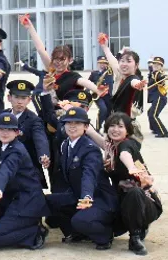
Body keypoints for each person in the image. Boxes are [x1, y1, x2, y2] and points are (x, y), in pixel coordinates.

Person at [87, 113, 163, 256]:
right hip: (122, 201)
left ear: (127, 130)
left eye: (120, 126)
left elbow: (124, 154)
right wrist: (87, 128)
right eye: (112, 126)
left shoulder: (127, 144)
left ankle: (135, 237)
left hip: (145, 203)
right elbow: (101, 141)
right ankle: (136, 225)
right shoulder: (111, 147)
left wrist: (131, 167)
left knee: (133, 192)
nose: (115, 129)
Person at [46, 108, 118, 251]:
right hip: (77, 195)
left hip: (98, 198)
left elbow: (89, 175)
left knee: (80, 220)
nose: (72, 126)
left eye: (77, 123)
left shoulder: (90, 148)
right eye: (68, 123)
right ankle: (77, 233)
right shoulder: (65, 144)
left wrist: (86, 196)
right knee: (48, 201)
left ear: (86, 127)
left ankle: (105, 235)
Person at [0, 112, 50, 250]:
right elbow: (10, 174)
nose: (5, 132)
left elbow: (7, 170)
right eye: (1, 129)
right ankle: (27, 225)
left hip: (27, 203)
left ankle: (35, 233)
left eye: (9, 129)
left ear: (17, 132)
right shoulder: (8, 146)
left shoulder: (15, 150)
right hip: (19, 198)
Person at [0, 80, 51, 188]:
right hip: (3, 169)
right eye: (16, 97)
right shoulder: (4, 114)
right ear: (9, 98)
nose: (19, 102)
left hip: (24, 173)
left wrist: (43, 155)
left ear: (29, 100)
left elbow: (40, 139)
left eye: (23, 98)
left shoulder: (34, 120)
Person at [22, 16, 103, 100]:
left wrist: (97, 90)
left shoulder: (72, 76)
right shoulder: (51, 71)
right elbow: (41, 50)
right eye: (56, 59)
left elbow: (84, 82)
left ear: (70, 60)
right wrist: (30, 27)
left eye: (62, 59)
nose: (58, 62)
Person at [89, 56, 114, 130]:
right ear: (97, 63)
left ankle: (107, 129)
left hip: (108, 95)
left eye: (104, 63)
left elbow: (115, 64)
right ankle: (98, 127)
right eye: (100, 63)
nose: (102, 64)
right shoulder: (94, 73)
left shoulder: (109, 72)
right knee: (103, 109)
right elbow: (88, 83)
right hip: (98, 96)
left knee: (109, 112)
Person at [147, 57, 168, 138]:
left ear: (161, 66)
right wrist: (149, 61)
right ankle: (155, 129)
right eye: (154, 64)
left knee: (153, 114)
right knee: (149, 112)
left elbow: (161, 76)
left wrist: (166, 77)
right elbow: (150, 68)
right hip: (156, 97)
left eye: (158, 64)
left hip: (159, 97)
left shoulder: (158, 74)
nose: (156, 65)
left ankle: (163, 133)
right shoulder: (153, 72)